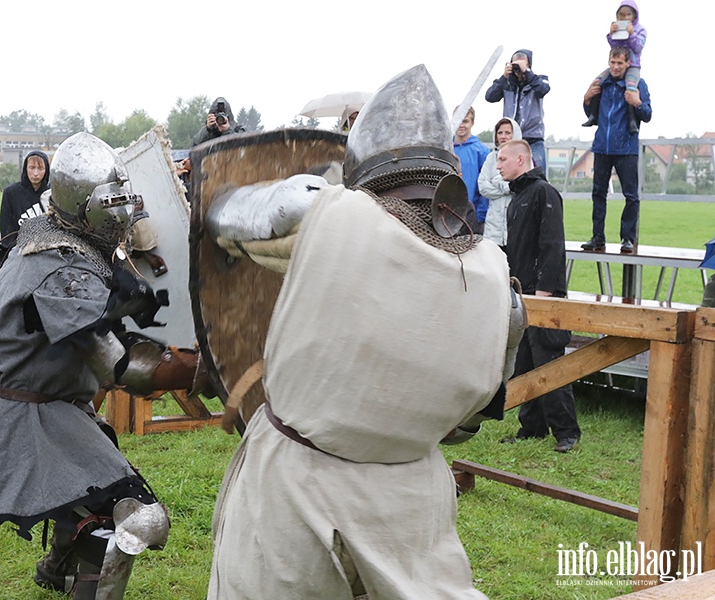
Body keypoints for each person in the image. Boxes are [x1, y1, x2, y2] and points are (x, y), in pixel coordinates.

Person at [206, 65, 522, 599]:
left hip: (298, 496)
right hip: (412, 506)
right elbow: (467, 425)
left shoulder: (324, 211)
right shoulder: (501, 291)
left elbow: (223, 213)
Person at [0, 133, 207, 599]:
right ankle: (78, 575)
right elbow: (124, 368)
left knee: (85, 490)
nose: (121, 211)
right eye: (111, 200)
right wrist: (202, 369)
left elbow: (113, 293)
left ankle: (57, 569)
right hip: (24, 417)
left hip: (46, 403)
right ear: (85, 204)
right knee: (139, 517)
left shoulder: (49, 238)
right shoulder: (61, 270)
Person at [496, 139, 580, 453]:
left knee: (549, 362)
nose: (498, 165)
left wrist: (546, 291)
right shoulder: (517, 198)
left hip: (543, 293)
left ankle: (567, 432)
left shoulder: (543, 193)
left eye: (503, 159)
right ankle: (531, 427)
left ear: (521, 158)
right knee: (525, 364)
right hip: (522, 292)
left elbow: (552, 245)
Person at [580, 45, 652, 255]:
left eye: (620, 63)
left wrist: (637, 103)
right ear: (608, 61)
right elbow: (591, 114)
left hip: (626, 148)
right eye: (612, 62)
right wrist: (586, 98)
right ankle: (597, 237)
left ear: (628, 64)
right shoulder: (603, 84)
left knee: (631, 196)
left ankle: (627, 239)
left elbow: (647, 115)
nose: (615, 66)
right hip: (602, 146)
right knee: (598, 194)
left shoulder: (638, 84)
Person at [582, 0, 647, 134]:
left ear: (634, 15)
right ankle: (593, 115)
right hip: (619, 60)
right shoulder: (618, 27)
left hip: (633, 65)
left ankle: (632, 121)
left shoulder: (640, 30)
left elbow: (638, 47)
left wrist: (631, 34)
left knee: (630, 87)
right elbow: (614, 48)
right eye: (622, 15)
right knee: (597, 82)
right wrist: (611, 34)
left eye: (628, 14)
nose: (625, 18)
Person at [484, 49, 550, 173]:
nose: (518, 69)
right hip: (511, 139)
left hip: (533, 138)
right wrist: (504, 77)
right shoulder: (507, 83)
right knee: (509, 174)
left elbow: (544, 89)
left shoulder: (538, 80)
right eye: (515, 65)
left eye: (521, 65)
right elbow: (490, 97)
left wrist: (528, 72)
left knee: (538, 175)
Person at [478, 117, 523, 249]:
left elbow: (521, 186)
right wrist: (507, 188)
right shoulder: (491, 158)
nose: (503, 136)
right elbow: (483, 187)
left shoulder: (523, 158)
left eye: (507, 133)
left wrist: (496, 181)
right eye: (500, 133)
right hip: (494, 229)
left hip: (515, 226)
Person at [453, 106, 491, 229]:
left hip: (471, 215)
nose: (461, 125)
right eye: (458, 120)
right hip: (446, 213)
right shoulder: (445, 149)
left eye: (465, 121)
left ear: (472, 123)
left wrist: (479, 216)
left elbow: (486, 185)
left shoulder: (482, 152)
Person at [0, 150, 50, 239]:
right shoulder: (11, 193)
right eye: (32, 167)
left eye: (40, 168)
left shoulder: (53, 194)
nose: (36, 173)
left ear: (46, 170)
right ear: (25, 168)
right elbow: (6, 228)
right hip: (17, 249)